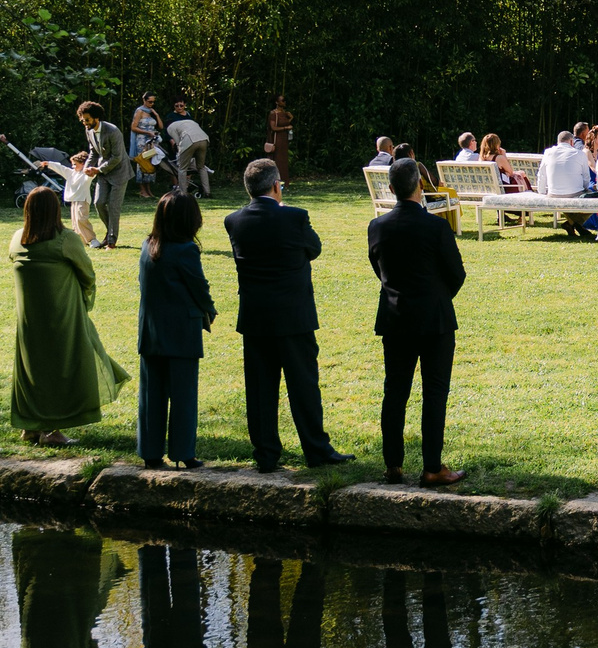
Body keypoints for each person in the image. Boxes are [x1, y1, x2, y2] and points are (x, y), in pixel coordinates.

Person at [224, 158, 352, 473]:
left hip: (256, 316)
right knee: (303, 385)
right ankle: (316, 449)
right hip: (294, 315)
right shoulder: (294, 218)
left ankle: (266, 453)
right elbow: (315, 248)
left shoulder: (234, 221)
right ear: (276, 186)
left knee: (260, 389)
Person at [370, 157, 468, 487]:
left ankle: (393, 465)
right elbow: (457, 273)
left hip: (395, 317)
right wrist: (438, 297)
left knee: (394, 392)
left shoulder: (378, 226)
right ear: (420, 185)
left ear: (391, 189)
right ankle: (431, 467)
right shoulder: (436, 226)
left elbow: (379, 270)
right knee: (434, 393)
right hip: (434, 320)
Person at [8, 185, 129, 448]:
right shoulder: (66, 240)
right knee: (60, 367)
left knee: (33, 369)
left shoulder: (17, 240)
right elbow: (87, 275)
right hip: (61, 316)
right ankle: (52, 429)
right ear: (55, 211)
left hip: (29, 320)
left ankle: (31, 426)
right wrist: (83, 300)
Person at [134, 192, 215, 471]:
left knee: (151, 395)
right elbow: (199, 287)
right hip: (181, 331)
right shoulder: (186, 250)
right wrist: (210, 310)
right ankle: (183, 452)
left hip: (151, 331)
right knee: (183, 395)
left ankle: (150, 452)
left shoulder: (148, 246)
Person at [77, 100, 134, 248]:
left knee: (114, 207)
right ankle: (110, 233)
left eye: (87, 120)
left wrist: (98, 170)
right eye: (82, 120)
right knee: (99, 202)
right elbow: (93, 152)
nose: (85, 123)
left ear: (96, 118)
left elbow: (117, 157)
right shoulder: (88, 130)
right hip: (103, 173)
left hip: (120, 172)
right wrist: (87, 168)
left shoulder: (113, 131)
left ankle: (111, 241)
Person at [165, 103, 211, 197]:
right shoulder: (190, 121)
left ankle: (183, 193)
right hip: (204, 139)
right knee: (201, 167)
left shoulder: (170, 127)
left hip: (190, 140)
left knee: (182, 168)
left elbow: (178, 144)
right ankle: (207, 192)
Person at [63, 150, 99, 247]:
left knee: (81, 219)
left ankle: (92, 239)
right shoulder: (72, 173)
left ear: (83, 164)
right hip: (74, 200)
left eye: (75, 164)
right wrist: (48, 164)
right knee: (75, 222)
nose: (73, 167)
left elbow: (92, 174)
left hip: (83, 200)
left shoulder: (86, 174)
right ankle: (81, 241)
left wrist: (90, 171)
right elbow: (60, 168)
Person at [129, 94, 163, 195]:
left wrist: (156, 115)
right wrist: (147, 132)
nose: (151, 104)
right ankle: (142, 190)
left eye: (153, 102)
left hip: (151, 141)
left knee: (151, 162)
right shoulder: (139, 111)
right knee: (142, 162)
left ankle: (148, 189)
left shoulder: (151, 112)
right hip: (142, 140)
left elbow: (161, 126)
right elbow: (133, 127)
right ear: (144, 100)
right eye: (149, 102)